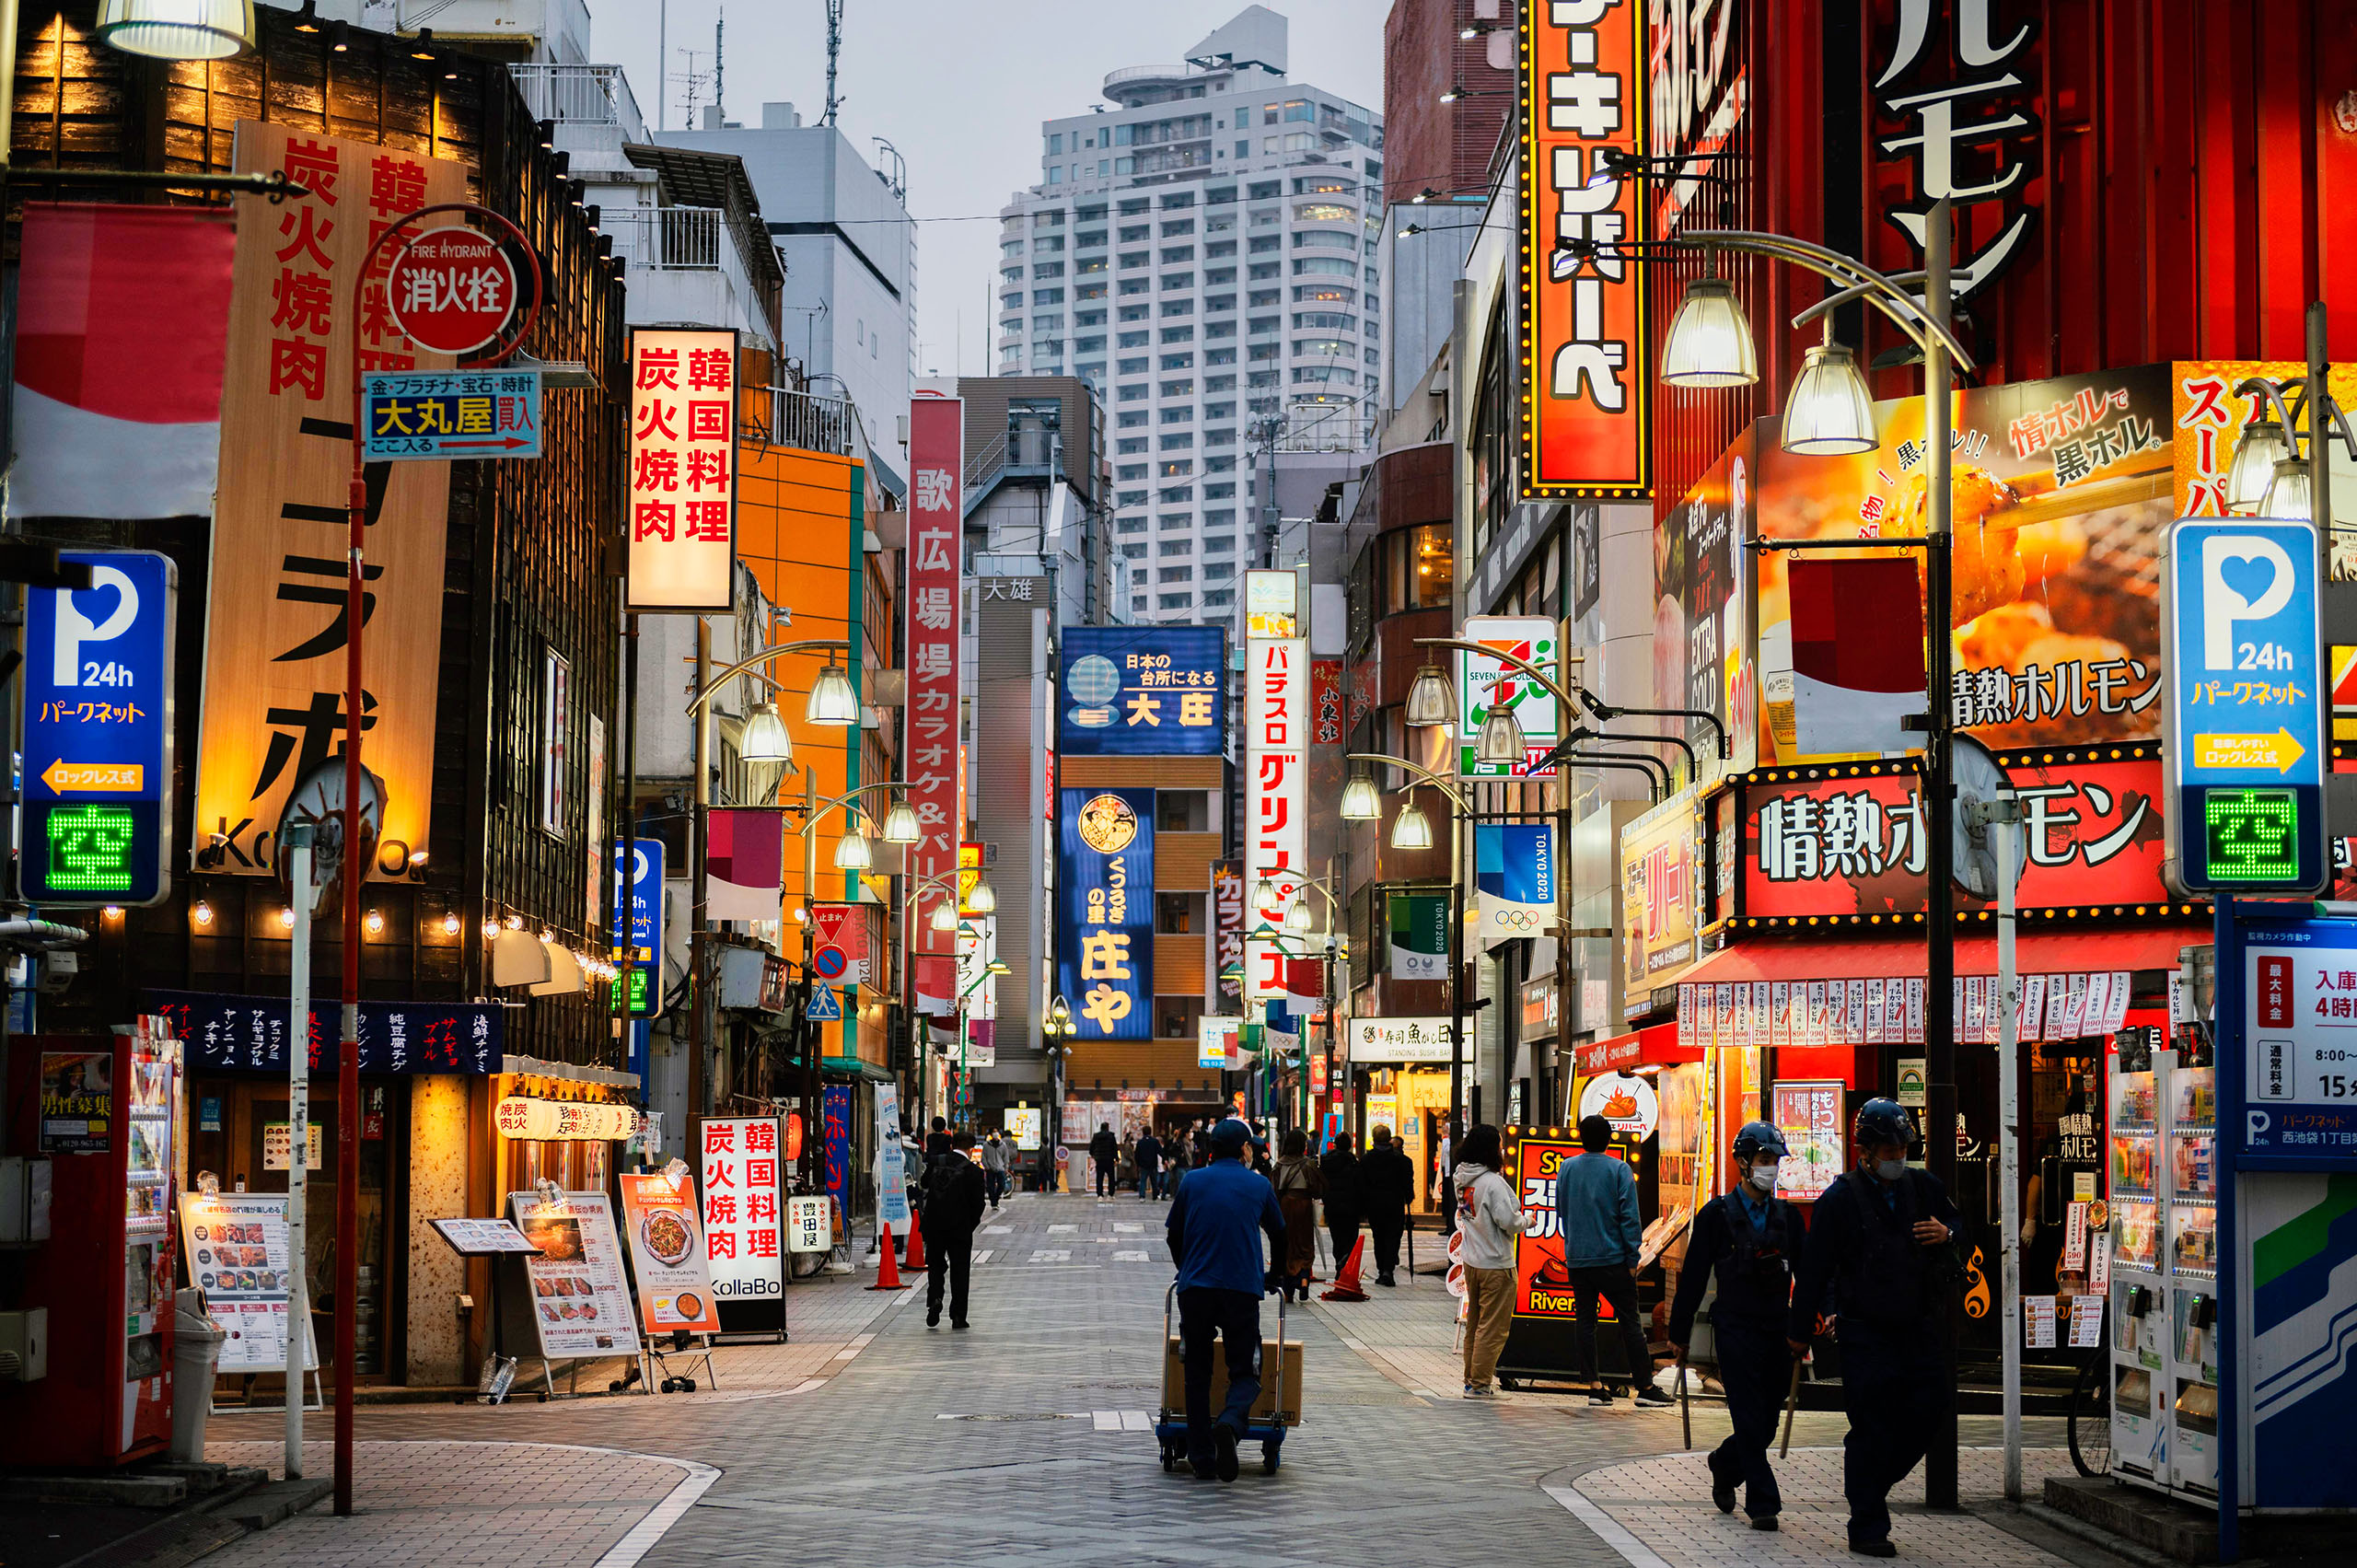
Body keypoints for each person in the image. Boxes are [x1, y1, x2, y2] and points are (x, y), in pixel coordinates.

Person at [1788, 1098, 1963, 1560]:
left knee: (1931, 1408)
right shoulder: (1839, 1199)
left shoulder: (1922, 1187)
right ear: (1864, 1150)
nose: (1896, 1155)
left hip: (1916, 1326)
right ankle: (1867, 1522)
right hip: (1863, 1332)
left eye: (1902, 1146)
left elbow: (1960, 1222)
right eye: (1887, 1147)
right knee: (1871, 1424)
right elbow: (1814, 1269)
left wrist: (1948, 1234)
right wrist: (1800, 1328)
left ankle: (1869, 1485)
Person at [1669, 1121, 1806, 1532]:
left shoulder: (1789, 1218)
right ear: (1744, 1164)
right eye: (1764, 1160)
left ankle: (1724, 1464)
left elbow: (1811, 1274)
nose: (1771, 1168)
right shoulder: (1716, 1215)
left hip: (1777, 1328)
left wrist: (1811, 1321)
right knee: (1747, 1413)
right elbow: (1693, 1276)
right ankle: (1763, 1502)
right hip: (1733, 1328)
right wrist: (1677, 1335)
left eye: (1775, 1161)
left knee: (1766, 1420)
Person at [1165, 1118, 1286, 1481]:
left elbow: (1174, 1236)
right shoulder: (1258, 1184)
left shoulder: (1192, 1181)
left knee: (1197, 1373)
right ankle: (1231, 1425)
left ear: (1211, 1149)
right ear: (1246, 1149)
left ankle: (1202, 1457)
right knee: (1245, 1369)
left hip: (1196, 1290)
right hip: (1241, 1290)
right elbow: (1280, 1235)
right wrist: (1273, 1276)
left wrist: (1186, 1268)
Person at [1555, 1114, 1671, 1407]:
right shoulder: (1619, 1170)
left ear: (1581, 1138)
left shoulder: (1567, 1168)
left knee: (1585, 1321)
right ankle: (1645, 1386)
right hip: (1613, 1259)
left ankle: (1594, 1386)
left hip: (1578, 1259)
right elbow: (1629, 1218)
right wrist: (1632, 1257)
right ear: (1609, 1139)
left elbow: (1560, 1208)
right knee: (1630, 1322)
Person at [1451, 1123, 1528, 1398]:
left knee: (1475, 1323)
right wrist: (1527, 1220)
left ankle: (1471, 1379)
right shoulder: (1492, 1182)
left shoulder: (1462, 1177)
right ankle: (1480, 1383)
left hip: (1472, 1261)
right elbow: (1508, 1221)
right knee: (1493, 1328)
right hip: (1496, 1263)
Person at [922, 1130, 989, 1329]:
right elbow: (979, 1205)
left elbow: (924, 1183)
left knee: (935, 1265)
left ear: (952, 1146)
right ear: (971, 1149)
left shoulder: (936, 1161)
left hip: (934, 1225)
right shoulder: (975, 1172)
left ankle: (935, 1298)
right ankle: (958, 1316)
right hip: (960, 1228)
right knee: (960, 1270)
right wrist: (969, 1225)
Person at [1270, 1129, 1323, 1301]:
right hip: (1304, 1206)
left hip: (1285, 1207)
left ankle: (1288, 1291)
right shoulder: (1308, 1164)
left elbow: (1273, 1191)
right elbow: (1319, 1188)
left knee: (1287, 1246)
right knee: (1305, 1244)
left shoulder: (1279, 1165)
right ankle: (1304, 1280)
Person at [1361, 1124, 1415, 1286]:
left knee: (1378, 1236)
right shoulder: (1402, 1160)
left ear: (1373, 1138)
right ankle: (1388, 1270)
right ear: (1389, 1138)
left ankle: (1381, 1269)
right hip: (1395, 1203)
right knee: (1393, 1237)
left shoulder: (1366, 1160)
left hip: (1374, 1204)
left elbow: (1362, 1184)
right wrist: (1408, 1197)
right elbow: (1408, 1183)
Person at [1318, 1129, 1364, 1276]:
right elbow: (1359, 1185)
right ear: (1349, 1146)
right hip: (1351, 1206)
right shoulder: (1354, 1162)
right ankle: (1344, 1259)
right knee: (1351, 1236)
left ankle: (1340, 1259)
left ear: (1335, 1145)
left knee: (1336, 1236)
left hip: (1332, 1205)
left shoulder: (1325, 1161)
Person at [978, 1128, 1009, 1208]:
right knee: (990, 1186)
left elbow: (1006, 1157)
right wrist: (987, 1167)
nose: (996, 1133)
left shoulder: (1003, 1145)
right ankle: (993, 1203)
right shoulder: (986, 1145)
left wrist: (1006, 1167)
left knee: (1002, 1185)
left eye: (997, 1131)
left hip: (1000, 1168)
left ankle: (996, 1198)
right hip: (990, 1168)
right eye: (994, 1132)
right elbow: (983, 1157)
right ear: (991, 1134)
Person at [1090, 1121, 1120, 1197]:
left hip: (1099, 1159)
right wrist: (1116, 1158)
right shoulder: (1111, 1136)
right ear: (1108, 1128)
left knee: (1099, 1177)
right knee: (1111, 1177)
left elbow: (1091, 1148)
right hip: (1109, 1159)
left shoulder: (1096, 1136)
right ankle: (1110, 1194)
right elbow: (1114, 1148)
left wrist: (1093, 1155)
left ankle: (1100, 1194)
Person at [1135, 1127, 1165, 1201]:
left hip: (1143, 1164)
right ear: (1150, 1132)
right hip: (1153, 1164)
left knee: (1143, 1180)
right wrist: (1164, 1159)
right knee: (1154, 1181)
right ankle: (1155, 1195)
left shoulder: (1140, 1142)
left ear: (1143, 1132)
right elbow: (1160, 1152)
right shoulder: (1155, 1141)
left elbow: (1137, 1154)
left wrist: (1138, 1164)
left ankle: (1142, 1196)